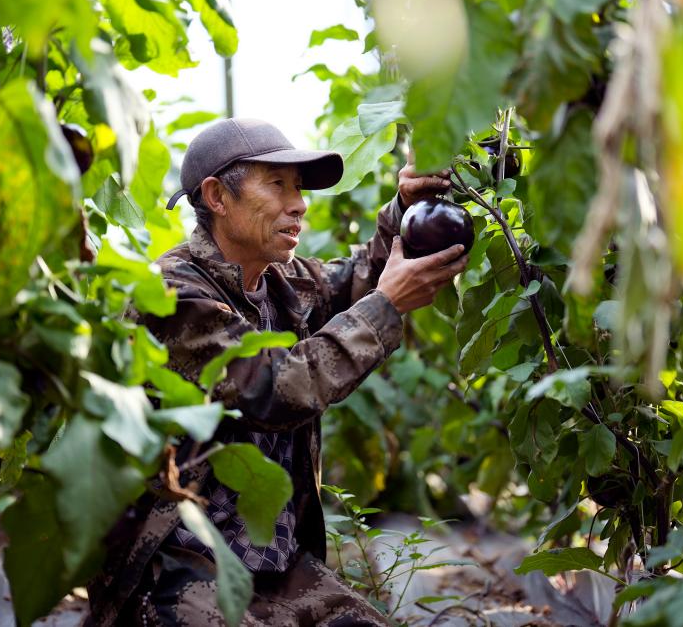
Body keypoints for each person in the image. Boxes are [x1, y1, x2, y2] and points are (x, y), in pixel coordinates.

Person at [86, 118, 469, 626]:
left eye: (299, 188)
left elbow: (357, 280)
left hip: (270, 565)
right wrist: (386, 307)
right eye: (278, 184)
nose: (300, 204)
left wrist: (405, 207)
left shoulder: (279, 282)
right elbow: (273, 390)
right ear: (218, 196)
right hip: (176, 566)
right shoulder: (171, 295)